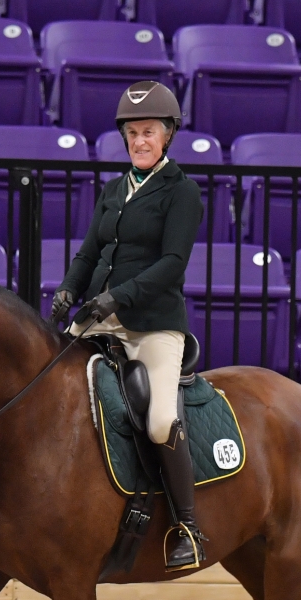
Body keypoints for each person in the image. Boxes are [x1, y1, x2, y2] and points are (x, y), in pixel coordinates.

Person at [51, 81, 207, 571]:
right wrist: (68, 290)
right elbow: (89, 252)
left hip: (152, 325)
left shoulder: (181, 192)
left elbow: (172, 264)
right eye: (133, 133)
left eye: (149, 132)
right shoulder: (115, 189)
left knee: (159, 420)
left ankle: (187, 526)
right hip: (99, 318)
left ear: (167, 136)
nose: (140, 141)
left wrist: (118, 296)